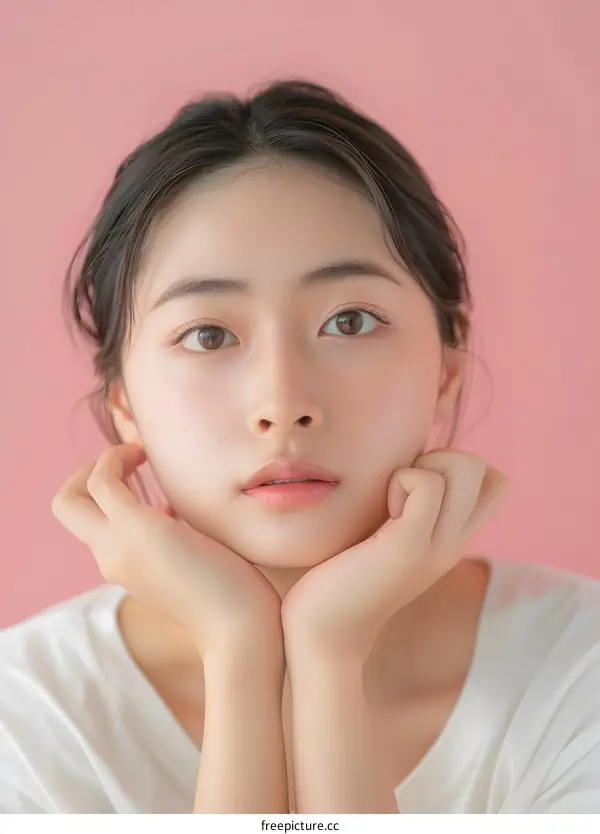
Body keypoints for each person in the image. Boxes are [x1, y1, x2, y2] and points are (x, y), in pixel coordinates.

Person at [1, 79, 599, 816]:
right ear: (123, 401)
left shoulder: (580, 671)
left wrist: (328, 655)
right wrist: (239, 650)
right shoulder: (27, 721)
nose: (283, 406)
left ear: (446, 370)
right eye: (208, 335)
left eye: (349, 321)